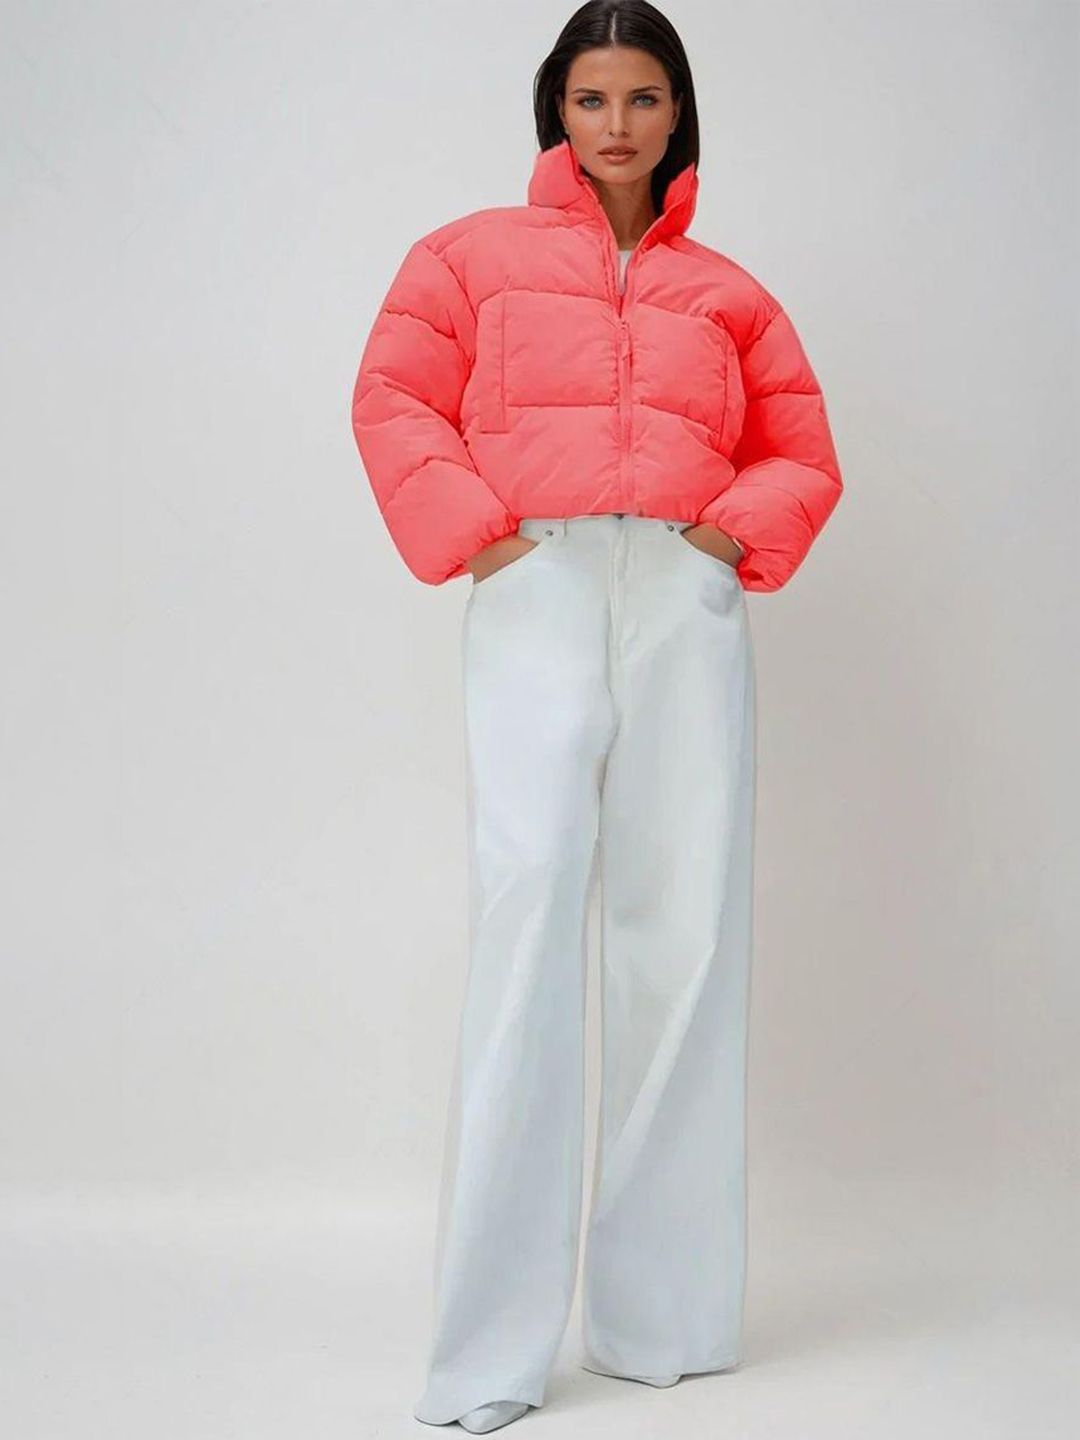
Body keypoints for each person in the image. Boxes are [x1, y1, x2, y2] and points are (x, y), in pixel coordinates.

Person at [350, 2, 843, 1430]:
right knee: (528, 925)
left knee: (683, 938)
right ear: (553, 111)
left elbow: (800, 447)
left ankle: (660, 1326)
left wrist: (719, 542)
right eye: (589, 98)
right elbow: (393, 398)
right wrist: (489, 541)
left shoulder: (730, 294)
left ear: (677, 111)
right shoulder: (467, 259)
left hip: (685, 599)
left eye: (641, 97)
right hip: (541, 587)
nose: (616, 125)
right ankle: (488, 1359)